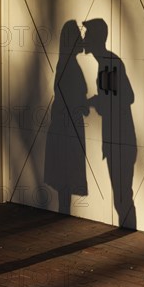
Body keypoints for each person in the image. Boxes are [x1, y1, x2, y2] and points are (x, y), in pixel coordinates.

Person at [83, 19, 137, 229]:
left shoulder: (108, 63)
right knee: (122, 193)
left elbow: (120, 98)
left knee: (122, 194)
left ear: (96, 37)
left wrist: (94, 102)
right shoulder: (106, 62)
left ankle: (127, 239)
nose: (84, 39)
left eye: (87, 34)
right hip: (117, 136)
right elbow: (113, 96)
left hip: (119, 137)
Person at [44, 20, 88, 214]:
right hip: (67, 122)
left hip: (66, 121)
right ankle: (64, 210)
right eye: (77, 35)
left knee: (66, 166)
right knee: (67, 164)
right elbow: (67, 94)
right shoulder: (68, 64)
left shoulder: (67, 62)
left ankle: (64, 210)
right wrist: (83, 104)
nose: (81, 39)